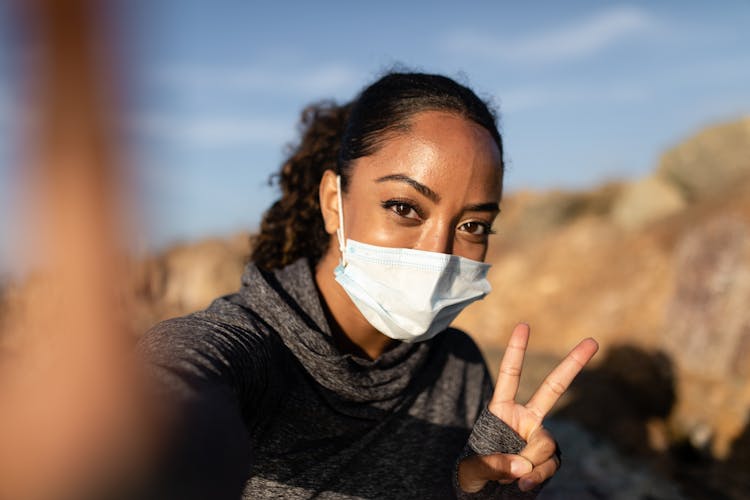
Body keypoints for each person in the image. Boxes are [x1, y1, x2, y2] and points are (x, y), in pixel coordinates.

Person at [140, 71, 598, 499]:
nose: (437, 253)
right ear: (333, 203)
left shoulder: (458, 369)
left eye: (474, 225)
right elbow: (175, 376)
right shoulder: (251, 350)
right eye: (404, 207)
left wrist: (477, 489)